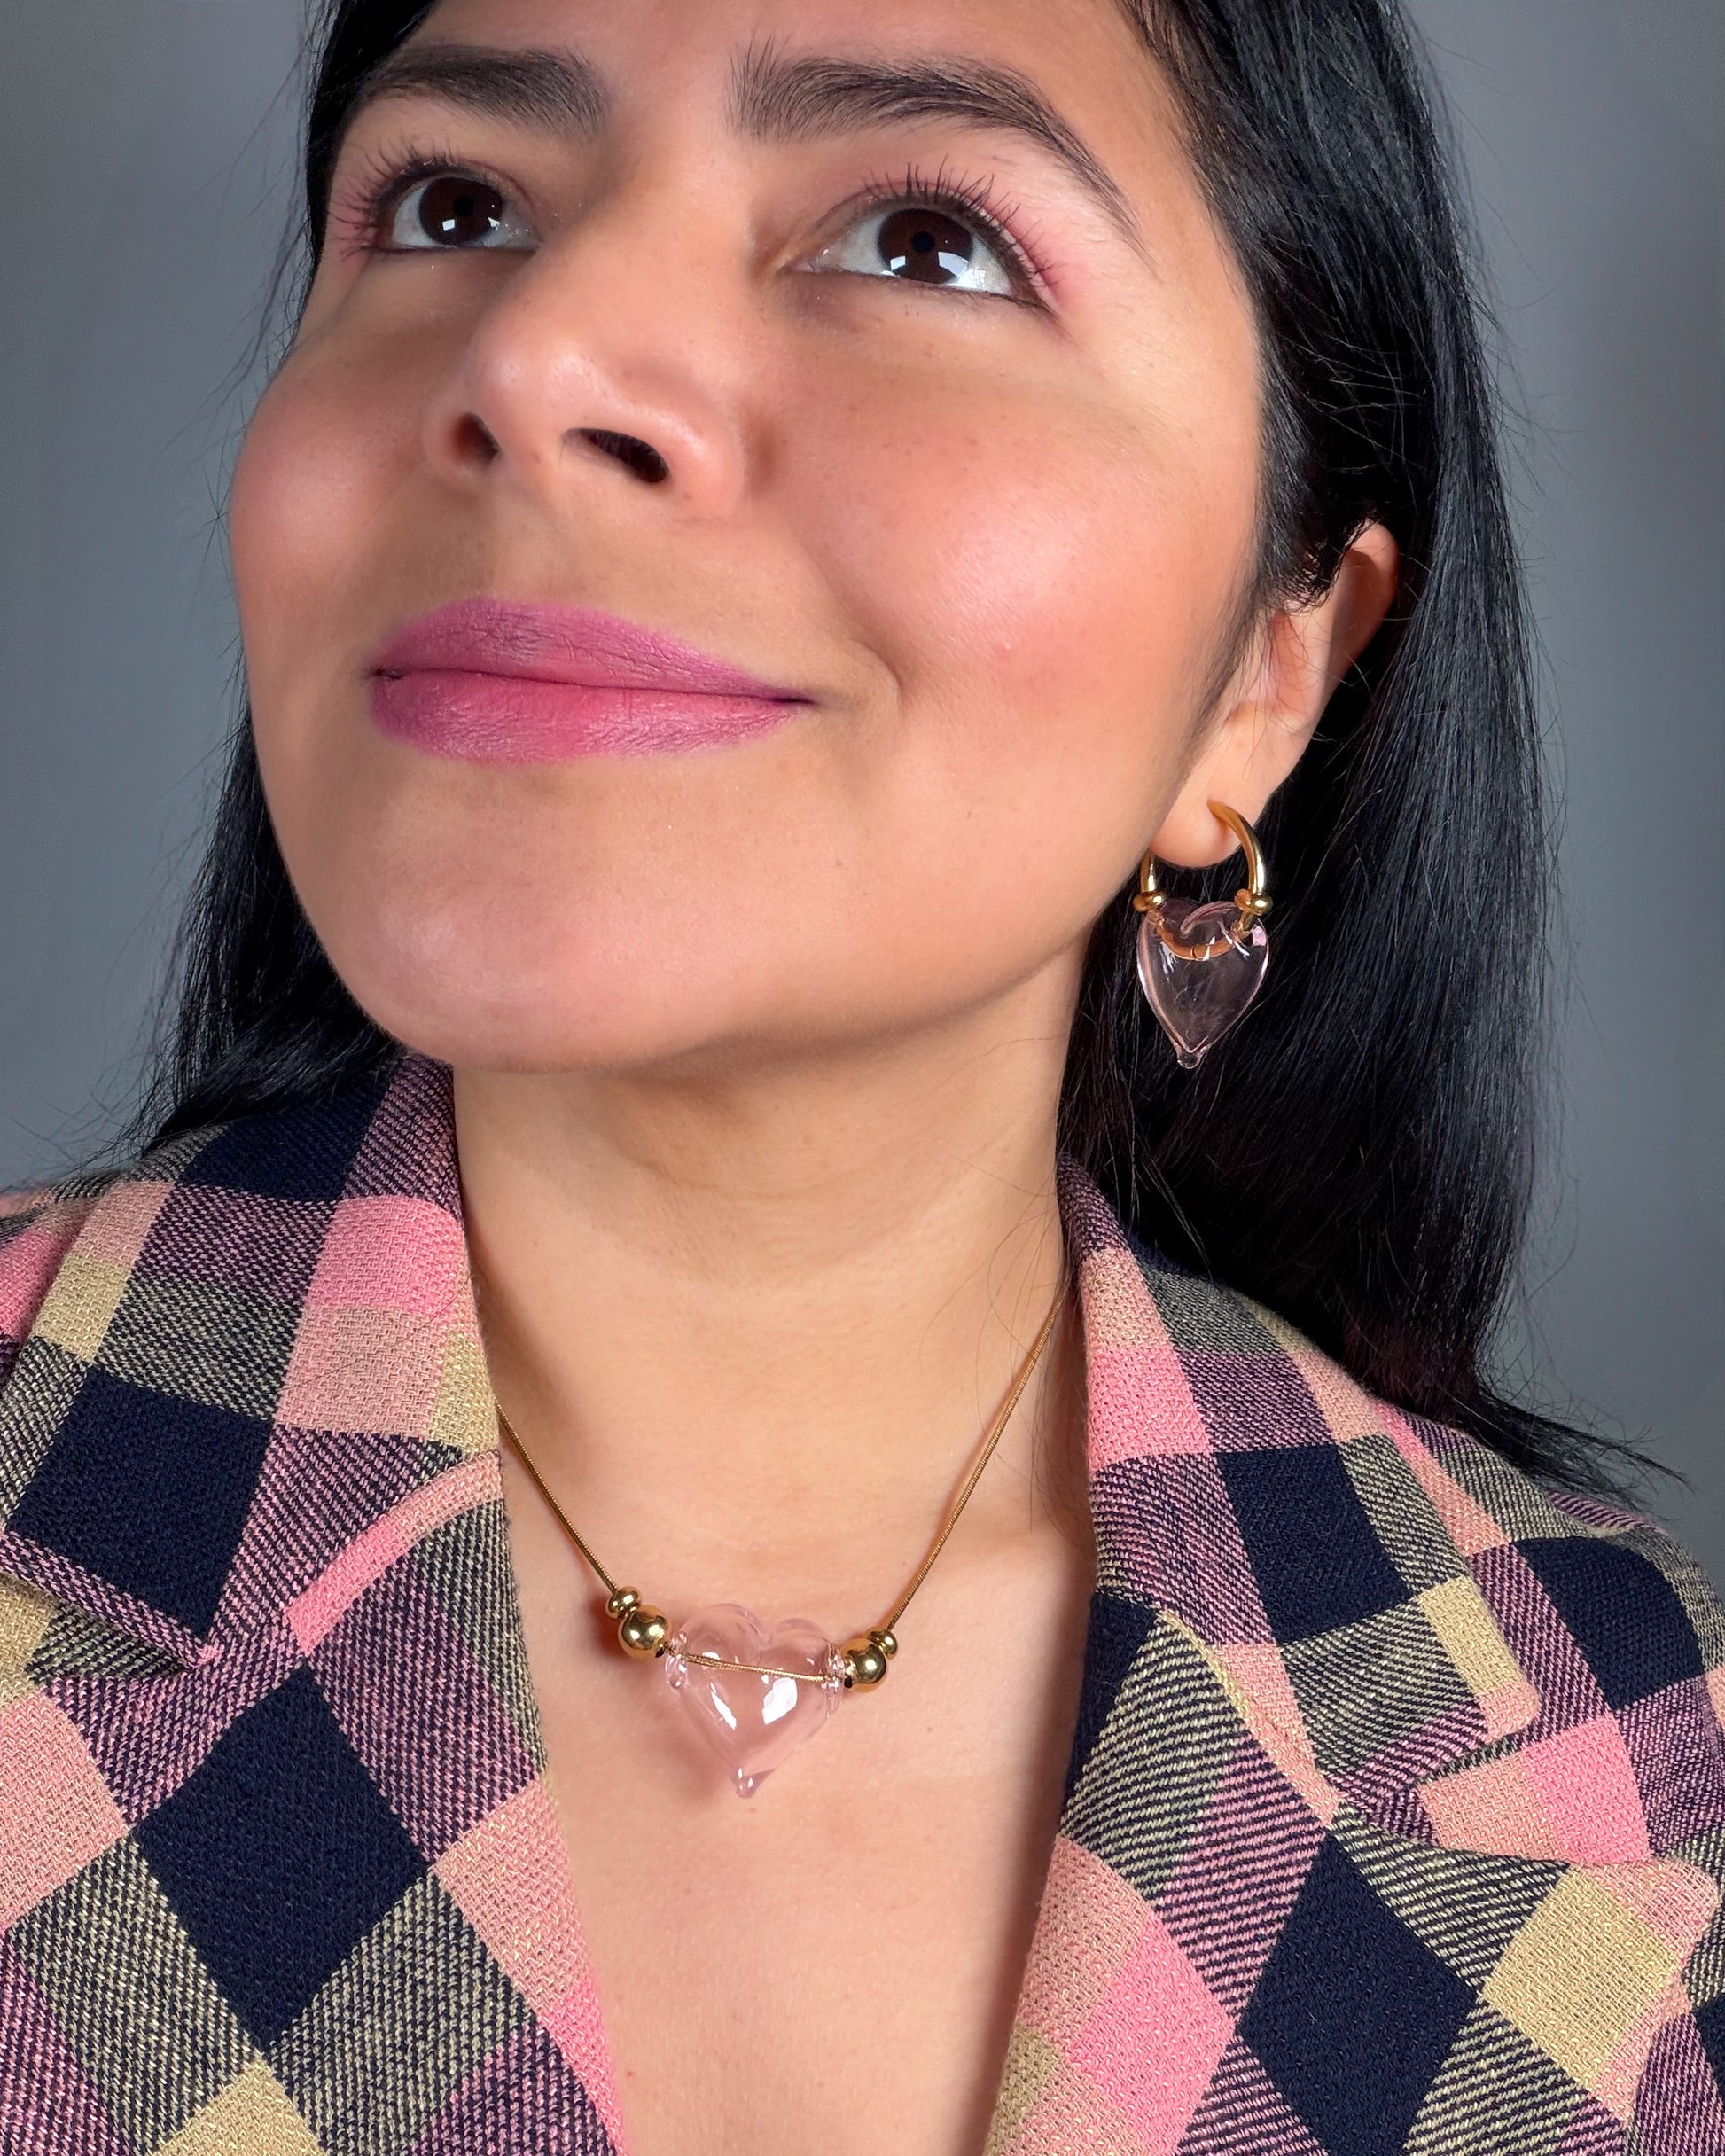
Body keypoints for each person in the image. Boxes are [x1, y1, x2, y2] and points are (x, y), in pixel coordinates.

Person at [1, 1, 1720, 2151]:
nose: (532, 356)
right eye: (451, 206)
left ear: (1274, 667)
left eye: (923, 241)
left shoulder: (1647, 1775)